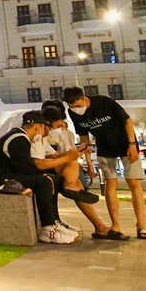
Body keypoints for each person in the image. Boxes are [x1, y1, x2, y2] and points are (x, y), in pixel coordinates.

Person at [64, 87, 146, 240]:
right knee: (110, 183)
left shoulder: (104, 102)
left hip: (126, 144)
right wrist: (88, 162)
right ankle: (116, 225)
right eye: (72, 107)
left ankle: (141, 226)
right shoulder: (73, 113)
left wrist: (132, 144)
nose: (76, 110)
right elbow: (84, 137)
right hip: (105, 148)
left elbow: (128, 121)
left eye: (78, 106)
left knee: (134, 183)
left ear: (84, 98)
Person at [0, 111, 77, 244]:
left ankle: (55, 221)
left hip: (9, 176)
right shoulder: (18, 139)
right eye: (45, 128)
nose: (45, 133)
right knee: (44, 182)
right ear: (38, 127)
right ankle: (48, 229)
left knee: (53, 180)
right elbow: (25, 168)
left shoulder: (20, 136)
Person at [40, 103, 120, 240]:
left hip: (59, 168)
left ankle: (99, 226)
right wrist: (71, 155)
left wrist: (77, 152)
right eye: (58, 126)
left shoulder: (66, 135)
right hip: (43, 169)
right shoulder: (38, 136)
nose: (61, 129)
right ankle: (99, 226)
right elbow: (40, 160)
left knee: (74, 173)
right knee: (73, 170)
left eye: (62, 125)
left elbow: (59, 155)